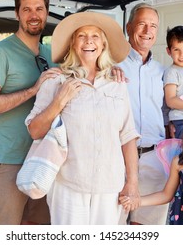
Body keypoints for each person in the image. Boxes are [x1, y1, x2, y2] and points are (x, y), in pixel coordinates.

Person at [25, 12, 140, 225]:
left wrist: (132, 183)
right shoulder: (55, 80)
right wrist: (59, 101)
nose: (89, 41)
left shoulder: (118, 83)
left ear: (103, 44)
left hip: (110, 188)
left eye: (95, 36)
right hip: (69, 185)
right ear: (73, 44)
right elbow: (34, 130)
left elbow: (128, 136)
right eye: (81, 36)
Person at [0, 0, 61, 225]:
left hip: (44, 160)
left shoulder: (51, 54)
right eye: (26, 10)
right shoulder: (0, 52)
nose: (33, 15)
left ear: (46, 12)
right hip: (9, 161)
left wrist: (114, 72)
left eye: (39, 9)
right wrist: (34, 89)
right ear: (17, 14)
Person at [117, 3, 169, 225]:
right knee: (112, 225)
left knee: (146, 229)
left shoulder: (163, 72)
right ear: (129, 28)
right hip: (117, 159)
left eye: (153, 26)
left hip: (154, 158)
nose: (148, 31)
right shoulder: (111, 66)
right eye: (142, 24)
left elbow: (169, 114)